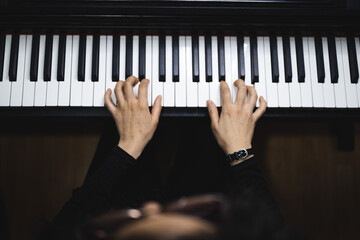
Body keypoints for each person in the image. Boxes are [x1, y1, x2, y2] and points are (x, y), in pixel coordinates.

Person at [38, 76, 303, 240]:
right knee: (208, 123)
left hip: (117, 202)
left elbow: (63, 229)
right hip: (212, 206)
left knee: (125, 114)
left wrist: (127, 147)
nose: (153, 206)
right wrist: (239, 150)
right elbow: (273, 229)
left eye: (138, 217)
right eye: (184, 209)